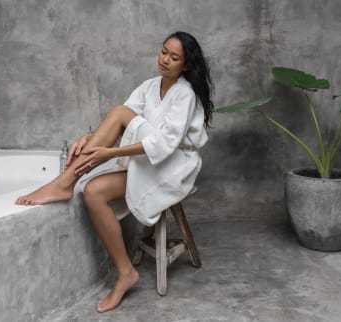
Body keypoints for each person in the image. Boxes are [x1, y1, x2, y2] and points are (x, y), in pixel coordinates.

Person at [14, 31, 214, 313]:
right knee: (93, 192)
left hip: (175, 165)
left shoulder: (186, 94)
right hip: (150, 161)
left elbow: (163, 143)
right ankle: (126, 273)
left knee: (120, 112)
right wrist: (90, 136)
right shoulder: (150, 86)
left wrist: (111, 153)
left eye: (174, 57)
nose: (165, 60)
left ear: (186, 65)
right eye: (163, 51)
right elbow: (119, 120)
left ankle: (64, 181)